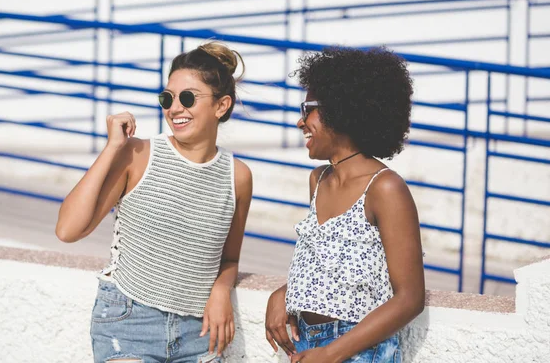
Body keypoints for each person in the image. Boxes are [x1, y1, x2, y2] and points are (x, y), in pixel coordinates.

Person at [55, 42, 253, 363]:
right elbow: (68, 229)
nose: (175, 108)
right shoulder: (138, 155)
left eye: (188, 97)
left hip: (200, 334)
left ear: (221, 105)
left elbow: (229, 259)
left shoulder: (238, 176)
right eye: (167, 98)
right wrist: (112, 149)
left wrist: (220, 292)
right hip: (129, 322)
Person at [265, 47, 425, 363]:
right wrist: (285, 293)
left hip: (358, 351)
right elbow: (331, 268)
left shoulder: (385, 188)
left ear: (341, 110)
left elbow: (410, 298)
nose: (300, 121)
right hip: (307, 345)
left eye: (307, 109)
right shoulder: (318, 180)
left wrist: (331, 353)